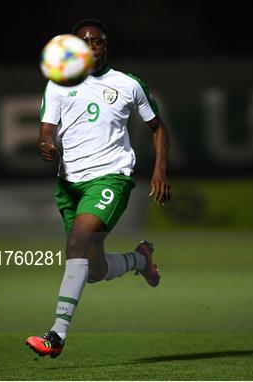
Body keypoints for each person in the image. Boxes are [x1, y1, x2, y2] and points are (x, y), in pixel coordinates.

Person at [26, 18, 171, 358]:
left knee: (77, 243)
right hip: (69, 185)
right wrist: (45, 144)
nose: (91, 46)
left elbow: (158, 128)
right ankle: (140, 259)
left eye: (97, 41)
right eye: (84, 42)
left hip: (110, 177)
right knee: (94, 270)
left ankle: (56, 336)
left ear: (106, 46)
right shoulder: (58, 83)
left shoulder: (127, 84)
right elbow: (46, 130)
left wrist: (159, 171)